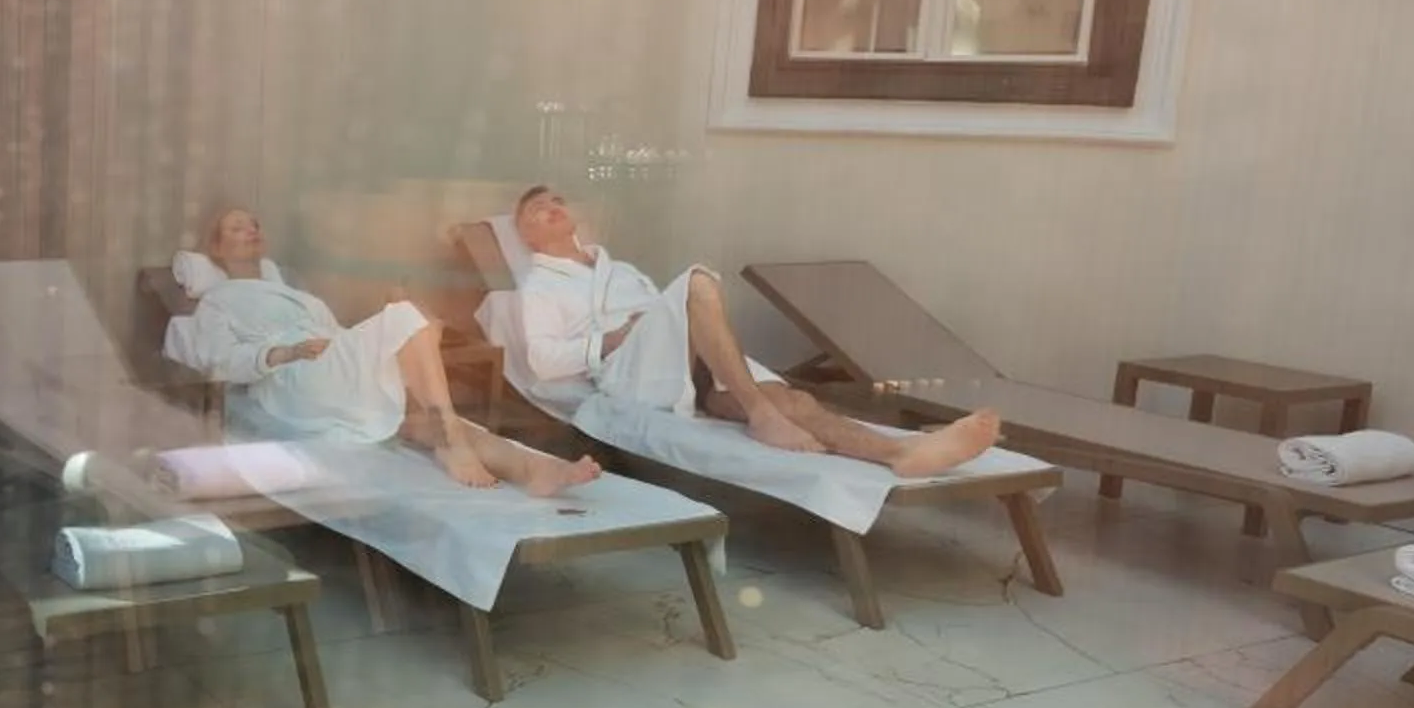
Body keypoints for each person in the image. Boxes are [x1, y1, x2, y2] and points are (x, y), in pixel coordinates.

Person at [474, 185, 1001, 479]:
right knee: (699, 282)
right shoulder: (536, 287)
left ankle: (898, 453)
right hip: (628, 373)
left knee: (795, 400)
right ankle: (761, 414)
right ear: (524, 234)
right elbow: (542, 361)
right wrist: (606, 342)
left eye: (557, 199)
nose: (552, 206)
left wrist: (663, 323)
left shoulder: (622, 270)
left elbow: (674, 323)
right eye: (536, 209)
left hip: (679, 364)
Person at [178, 207, 599, 497]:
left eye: (253, 224)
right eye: (237, 228)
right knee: (404, 316)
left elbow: (336, 337)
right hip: (292, 379)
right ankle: (452, 439)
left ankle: (534, 470)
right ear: (215, 250)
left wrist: (365, 343)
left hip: (328, 369)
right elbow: (218, 362)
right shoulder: (218, 302)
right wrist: (283, 354)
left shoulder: (298, 297)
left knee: (418, 414)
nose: (251, 230)